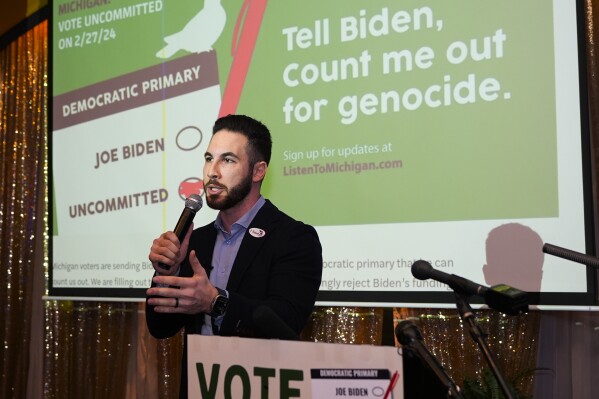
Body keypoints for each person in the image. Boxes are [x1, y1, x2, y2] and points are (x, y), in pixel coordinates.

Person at [145, 114, 323, 398]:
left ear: (258, 171)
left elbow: (286, 320)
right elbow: (160, 327)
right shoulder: (196, 240)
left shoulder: (293, 238)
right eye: (208, 158)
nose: (212, 172)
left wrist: (216, 302)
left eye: (227, 160)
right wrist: (171, 270)